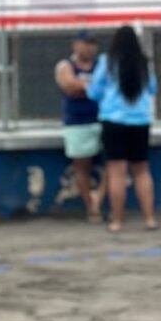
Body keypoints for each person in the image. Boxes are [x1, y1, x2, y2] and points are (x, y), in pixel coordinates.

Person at [86, 25, 159, 234]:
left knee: (117, 172)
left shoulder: (106, 62)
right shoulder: (144, 64)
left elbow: (94, 92)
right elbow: (153, 88)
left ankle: (117, 221)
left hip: (114, 121)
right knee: (142, 171)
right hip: (140, 121)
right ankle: (150, 219)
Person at [54, 30, 106, 223]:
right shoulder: (65, 65)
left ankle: (99, 196)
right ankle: (91, 206)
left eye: (93, 43)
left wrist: (84, 86)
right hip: (77, 122)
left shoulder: (102, 65)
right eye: (86, 43)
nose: (90, 47)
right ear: (75, 45)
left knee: (114, 162)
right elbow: (70, 86)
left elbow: (109, 87)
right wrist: (91, 86)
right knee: (81, 166)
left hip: (103, 119)